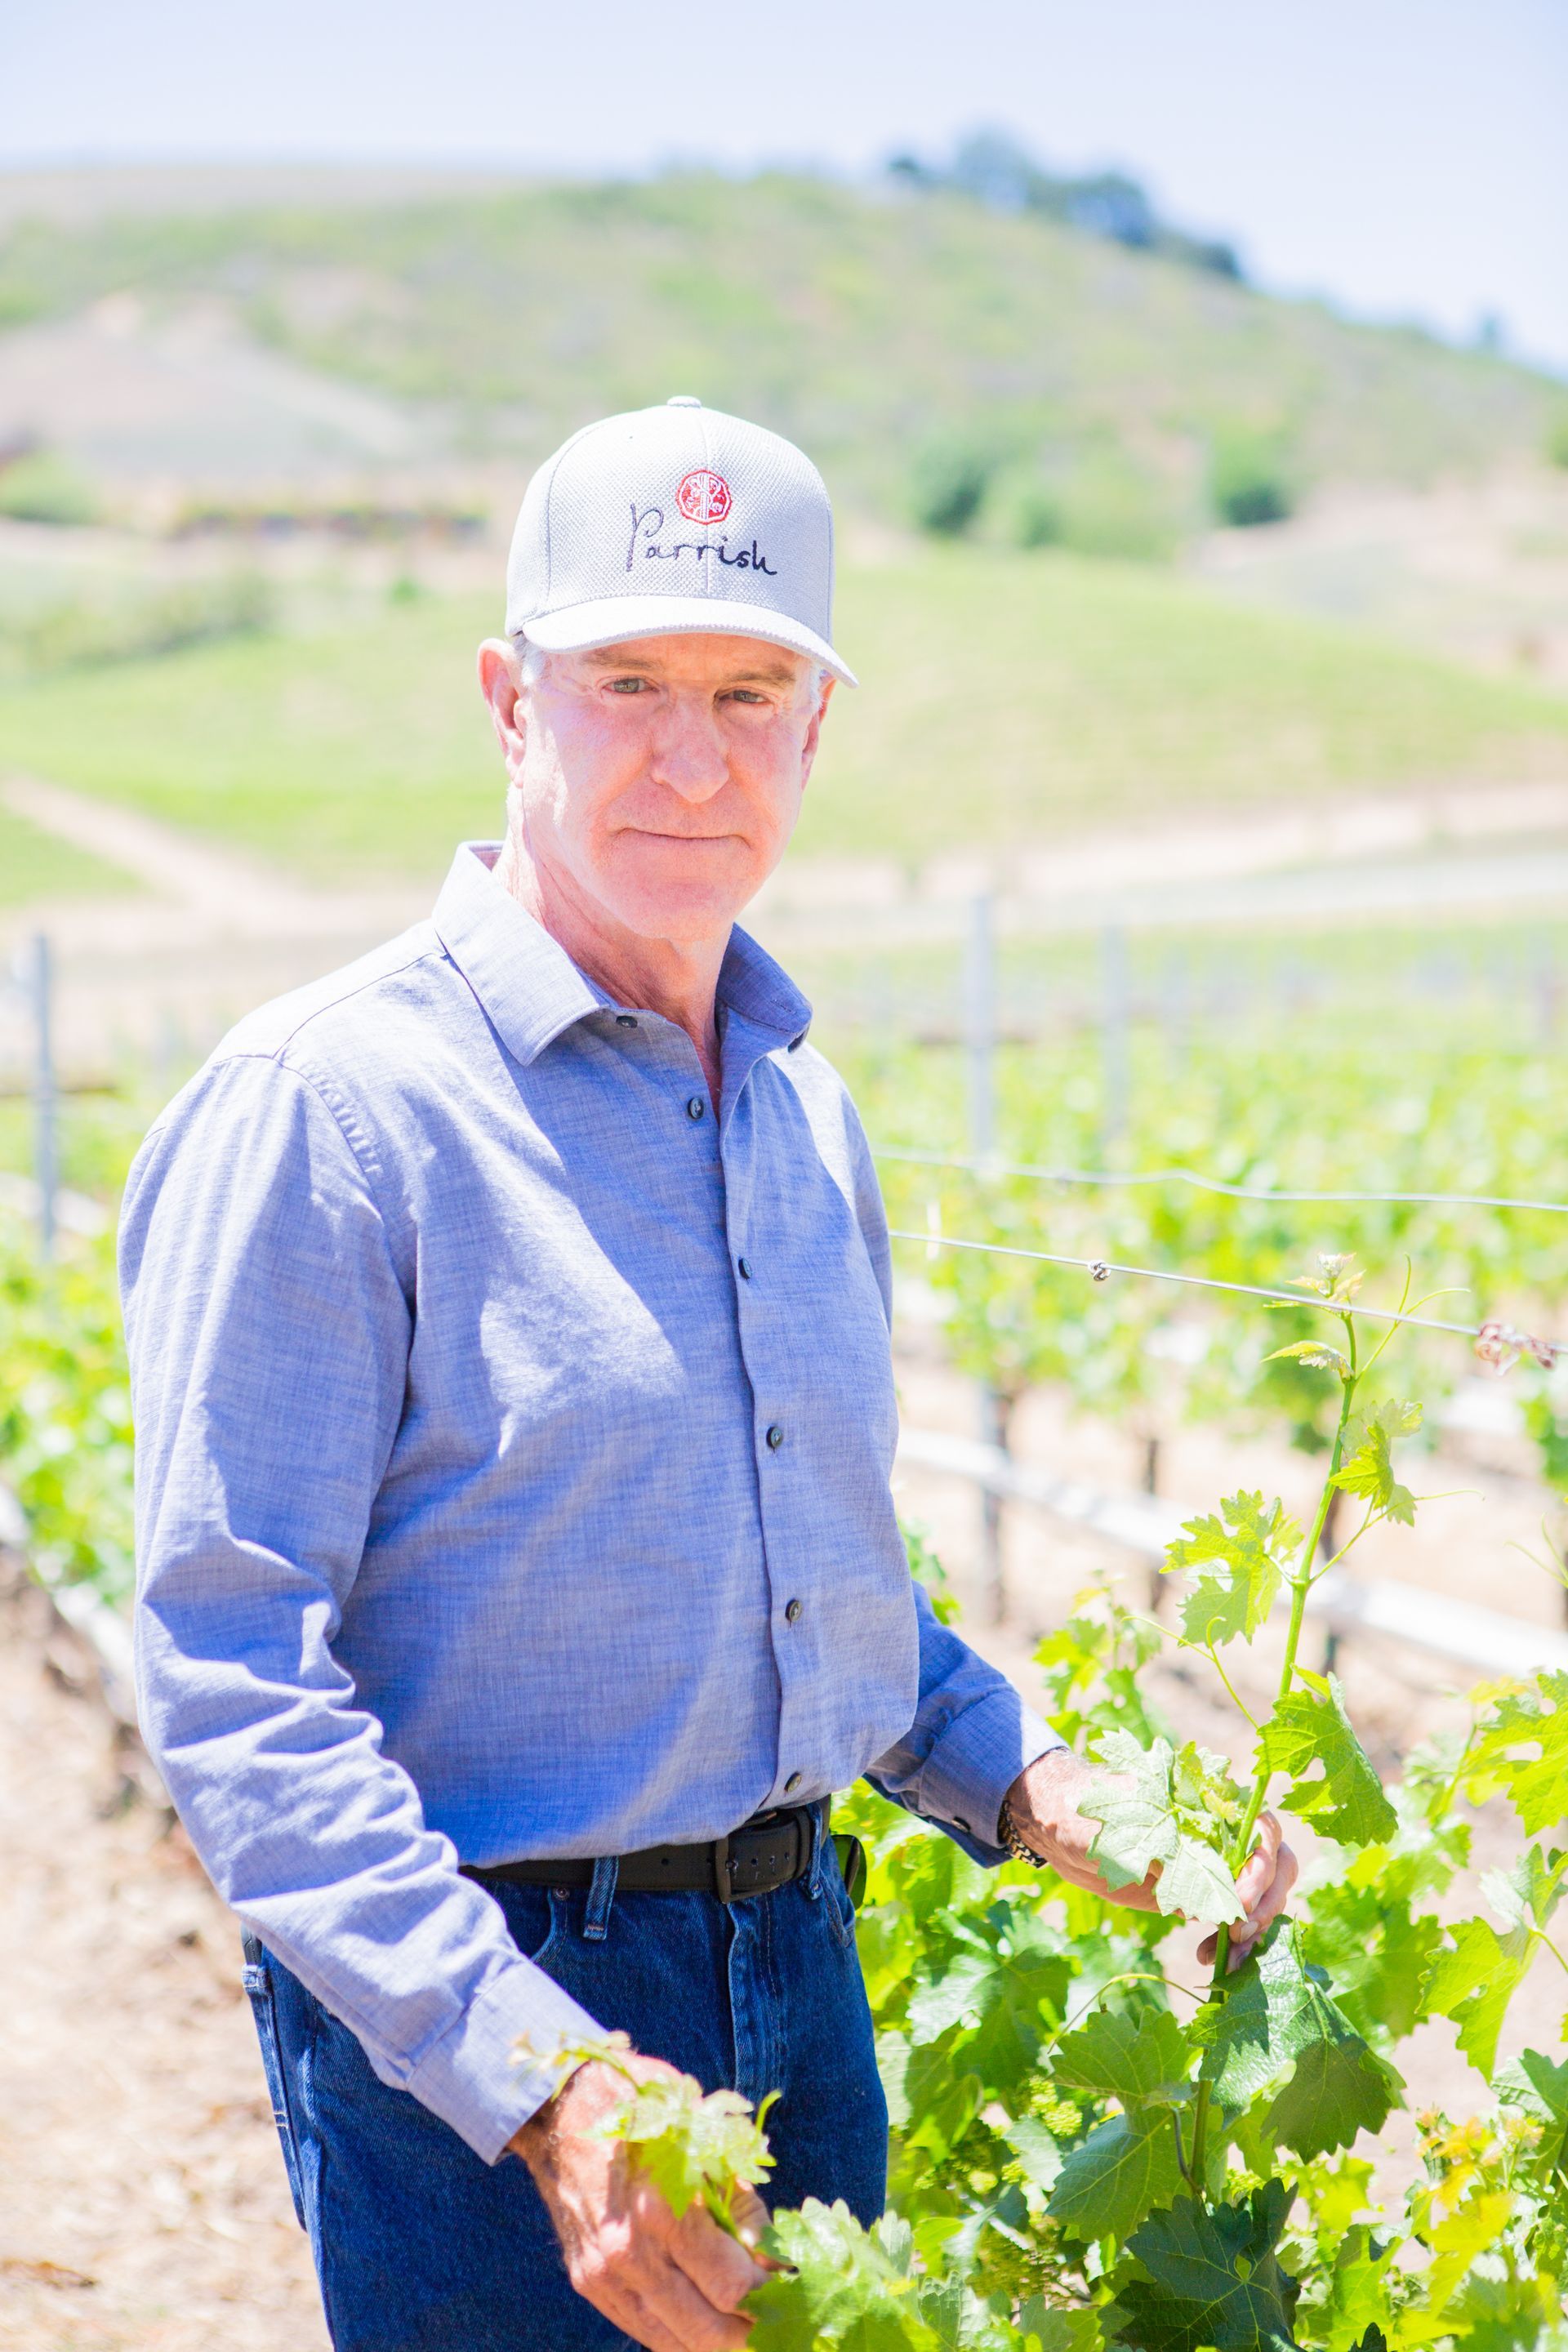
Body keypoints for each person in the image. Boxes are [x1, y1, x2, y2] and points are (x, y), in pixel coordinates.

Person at [120, 398, 1295, 2352]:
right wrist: (543, 2082)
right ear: (509, 700)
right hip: (475, 2050)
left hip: (800, 1985)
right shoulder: (331, 1110)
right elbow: (233, 1684)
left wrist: (1055, 1792)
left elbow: (825, 1591)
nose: (693, 754)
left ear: (818, 732)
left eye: (752, 693)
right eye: (628, 682)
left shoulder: (802, 1113)